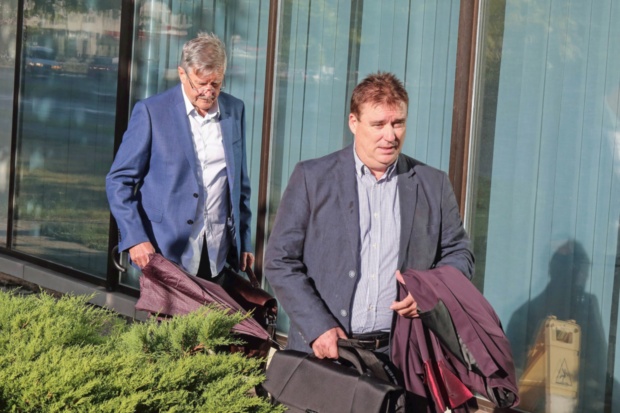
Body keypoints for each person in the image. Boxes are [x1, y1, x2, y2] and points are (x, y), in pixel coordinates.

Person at [264, 71, 474, 361]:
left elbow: (459, 253)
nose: (390, 135)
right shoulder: (312, 178)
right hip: (324, 353)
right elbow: (279, 260)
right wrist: (317, 327)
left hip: (401, 356)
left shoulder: (432, 184)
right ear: (354, 122)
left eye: (398, 123)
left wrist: (431, 291)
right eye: (378, 124)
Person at [106, 32, 254, 279]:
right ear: (182, 74)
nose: (208, 92)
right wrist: (135, 238)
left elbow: (239, 184)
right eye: (201, 83)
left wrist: (245, 240)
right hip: (164, 251)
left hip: (217, 251)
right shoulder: (151, 112)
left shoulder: (234, 109)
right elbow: (118, 181)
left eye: (216, 84)